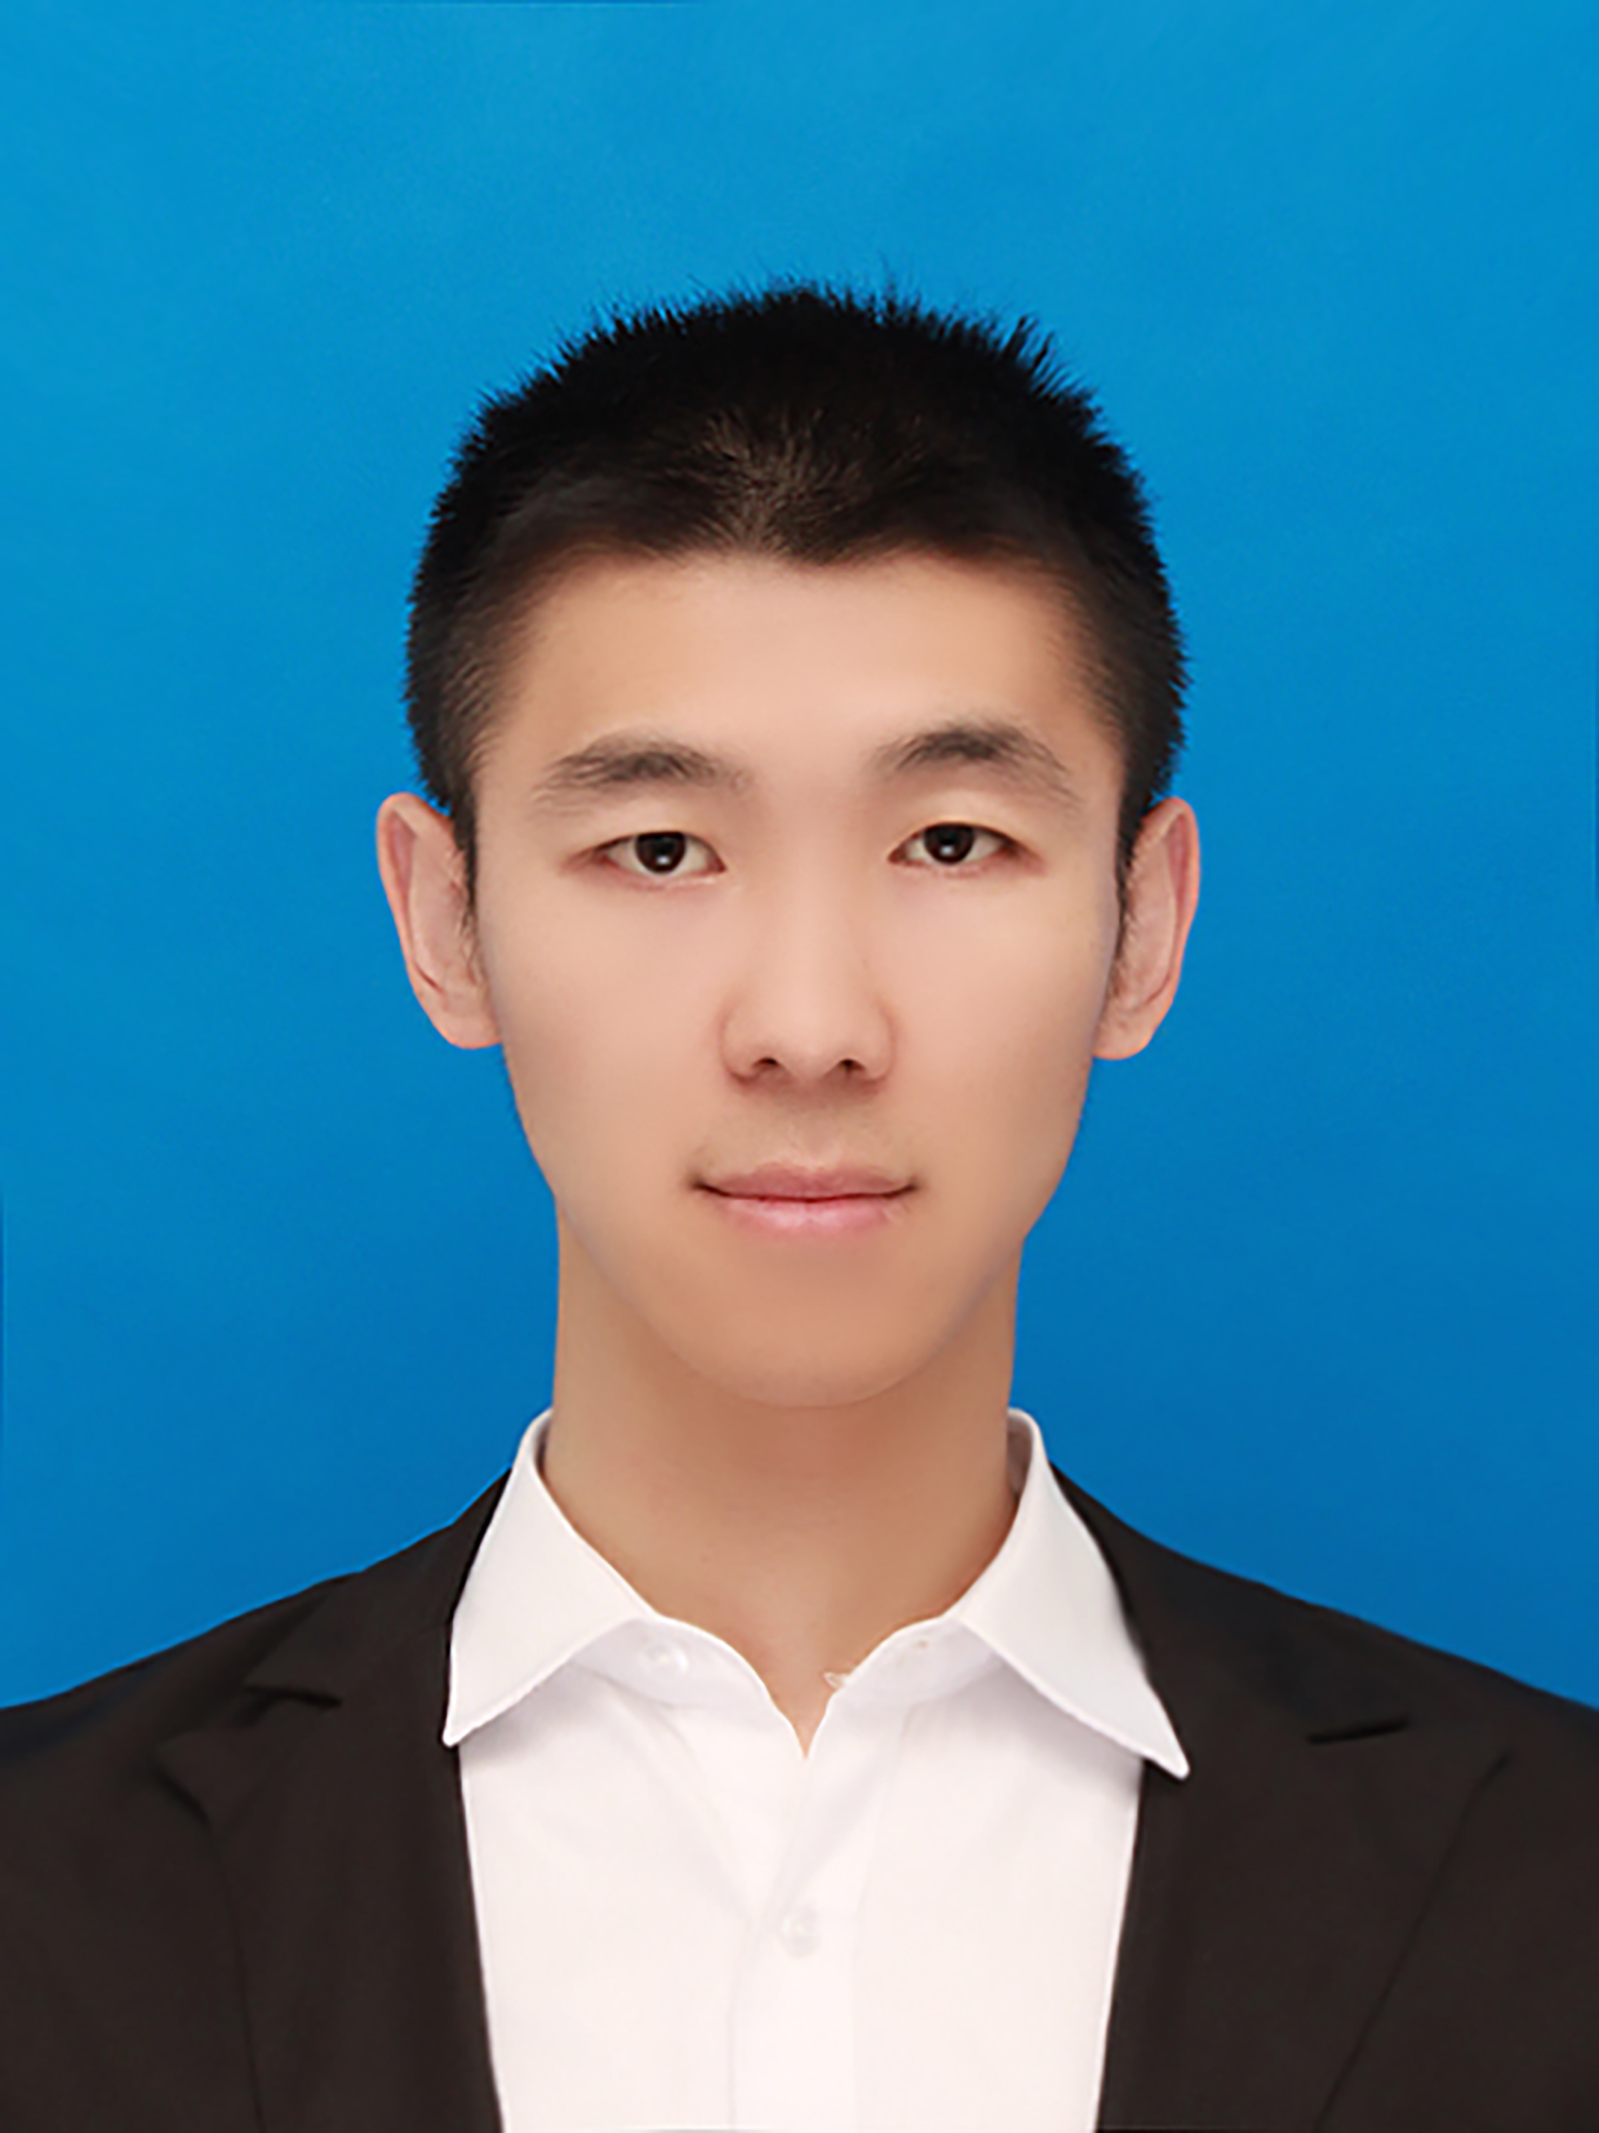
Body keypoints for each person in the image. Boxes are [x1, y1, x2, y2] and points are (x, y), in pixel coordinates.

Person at [1, 284, 1596, 2133]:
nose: (812, 1025)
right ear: (446, 922)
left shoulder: (1548, 1887)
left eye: (952, 841)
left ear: (1142, 929)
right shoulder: (44, 1893)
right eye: (660, 847)